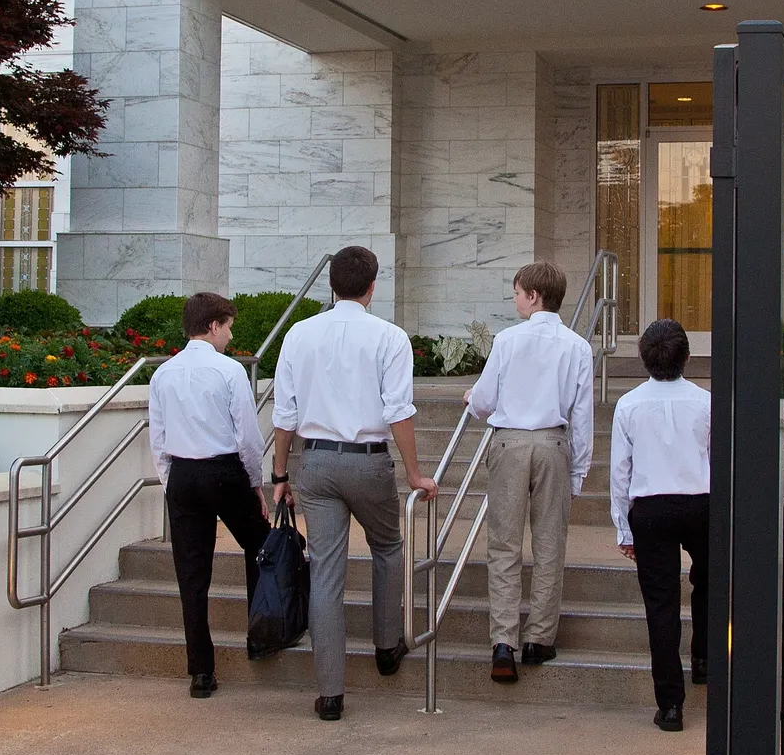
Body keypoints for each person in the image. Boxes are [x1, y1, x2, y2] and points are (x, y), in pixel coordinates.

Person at [269, 245, 431, 722]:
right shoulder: (390, 337)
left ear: (331, 285)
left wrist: (280, 473)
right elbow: (398, 411)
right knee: (387, 547)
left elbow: (285, 412)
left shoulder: (299, 334)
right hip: (368, 461)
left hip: (315, 463)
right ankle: (386, 647)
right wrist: (415, 473)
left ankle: (330, 692)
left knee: (325, 572)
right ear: (373, 286)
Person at [464, 260, 594, 684]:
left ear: (534, 296)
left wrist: (473, 396)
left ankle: (504, 641)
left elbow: (484, 400)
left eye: (518, 292)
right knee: (549, 543)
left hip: (510, 441)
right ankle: (539, 637)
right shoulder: (577, 346)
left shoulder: (508, 340)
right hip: (554, 443)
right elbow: (583, 417)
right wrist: (579, 473)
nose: (515, 299)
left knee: (503, 545)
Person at [146, 291, 270, 699]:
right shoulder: (229, 371)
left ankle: (201, 672)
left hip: (182, 474)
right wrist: (256, 484)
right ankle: (262, 635)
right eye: (229, 327)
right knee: (261, 547)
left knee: (192, 575)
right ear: (213, 325)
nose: (231, 336)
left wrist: (171, 483)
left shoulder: (163, 373)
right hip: (223, 471)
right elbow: (248, 439)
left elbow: (158, 438)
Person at [610, 318, 711, 732]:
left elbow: (620, 471)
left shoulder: (629, 404)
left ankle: (670, 704)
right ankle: (704, 657)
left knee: (661, 605)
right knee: (709, 582)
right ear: (687, 356)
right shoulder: (706, 402)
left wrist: (624, 527)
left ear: (642, 358)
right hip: (701, 504)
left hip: (651, 508)